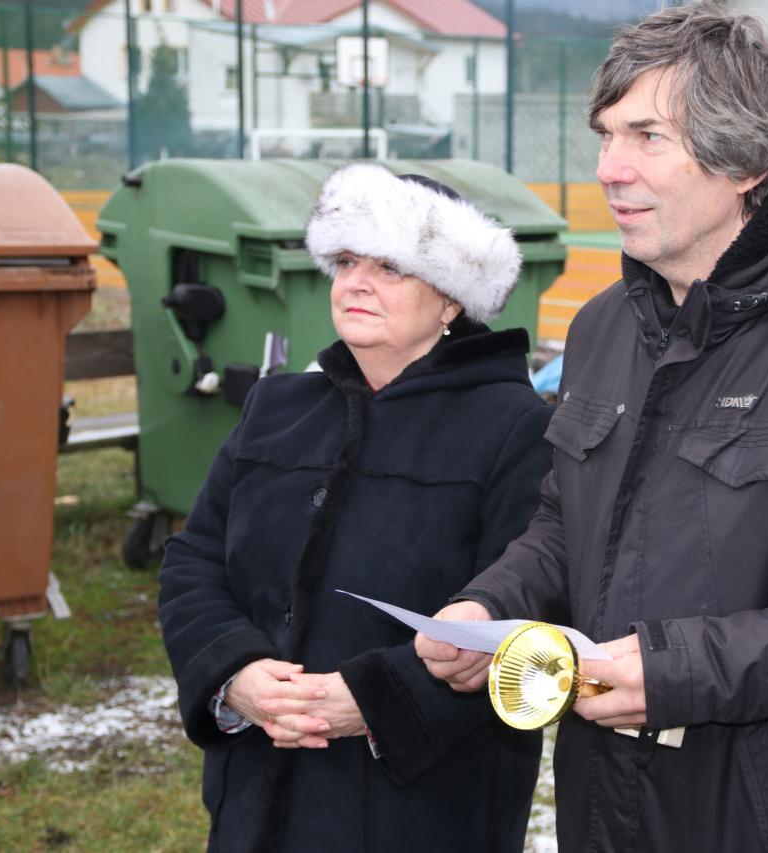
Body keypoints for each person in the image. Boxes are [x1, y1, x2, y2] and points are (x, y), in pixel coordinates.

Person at [416, 5, 768, 851]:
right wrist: (495, 603)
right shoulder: (605, 326)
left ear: (746, 161)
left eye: (647, 137)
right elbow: (570, 522)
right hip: (607, 811)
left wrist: (685, 671)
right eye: (606, 135)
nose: (609, 169)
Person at [159, 163, 552, 853]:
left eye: (390, 266)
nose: (357, 283)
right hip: (256, 798)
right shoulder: (275, 409)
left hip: (424, 812)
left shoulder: (515, 428)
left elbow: (525, 615)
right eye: (346, 261)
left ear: (451, 299)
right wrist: (234, 673)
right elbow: (194, 562)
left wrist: (377, 700)